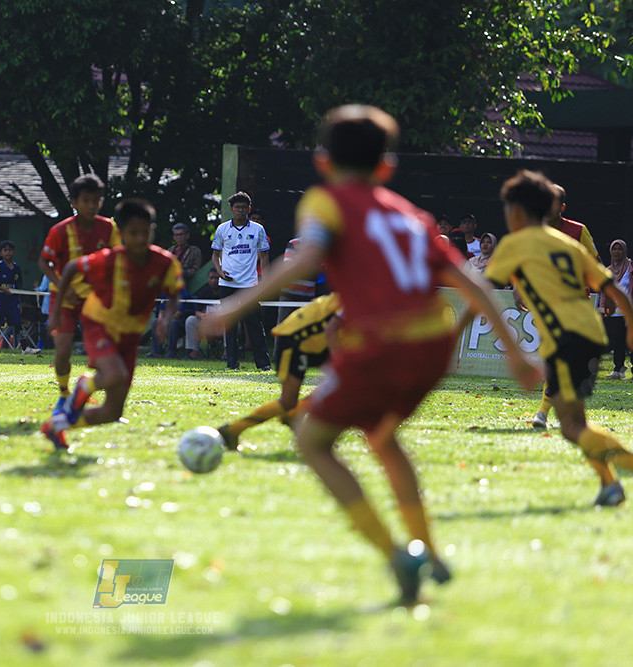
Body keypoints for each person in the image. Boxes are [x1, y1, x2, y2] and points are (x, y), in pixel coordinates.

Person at [205, 105, 541, 605]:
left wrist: (232, 307)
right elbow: (472, 282)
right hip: (430, 348)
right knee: (382, 437)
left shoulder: (327, 201)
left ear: (323, 161)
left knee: (315, 442)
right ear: (386, 166)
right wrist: (514, 352)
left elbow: (307, 258)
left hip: (381, 345)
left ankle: (394, 553)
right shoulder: (412, 217)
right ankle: (429, 548)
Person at [487, 170, 633, 507]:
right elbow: (606, 283)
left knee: (569, 426)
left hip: (569, 333)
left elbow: (483, 285)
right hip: (580, 332)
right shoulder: (558, 243)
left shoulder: (562, 235)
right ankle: (609, 484)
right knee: (576, 422)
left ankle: (623, 465)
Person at [41, 198, 183, 451]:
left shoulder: (164, 262)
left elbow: (174, 294)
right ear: (122, 234)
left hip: (130, 335)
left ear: (152, 229)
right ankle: (85, 385)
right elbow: (73, 266)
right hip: (99, 324)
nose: (140, 239)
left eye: (145, 232)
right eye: (133, 233)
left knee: (112, 413)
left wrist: (166, 316)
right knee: (113, 374)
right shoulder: (108, 259)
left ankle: (57, 426)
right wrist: (55, 313)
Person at [217, 292, 341, 452]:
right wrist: (340, 366)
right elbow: (332, 328)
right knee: (288, 401)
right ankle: (231, 430)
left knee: (346, 386)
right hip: (296, 339)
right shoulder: (363, 296)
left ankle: (295, 417)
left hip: (313, 341)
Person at [38, 174, 120, 409]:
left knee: (104, 354)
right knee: (63, 351)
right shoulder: (60, 231)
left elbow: (116, 259)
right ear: (74, 202)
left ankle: (101, 399)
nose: (91, 205)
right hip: (64, 298)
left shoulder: (108, 227)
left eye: (96, 200)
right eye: (85, 200)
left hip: (94, 300)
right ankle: (64, 394)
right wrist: (60, 284)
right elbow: (44, 262)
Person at [531, 183, 601, 429]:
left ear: (562, 207)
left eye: (552, 202)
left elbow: (595, 263)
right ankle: (550, 413)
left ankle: (546, 412)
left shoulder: (578, 230)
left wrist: (607, 293)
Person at [211, 191, 271, 371]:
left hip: (249, 285)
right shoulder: (222, 229)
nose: (240, 210)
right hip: (227, 285)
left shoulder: (258, 229)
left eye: (244, 207)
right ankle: (231, 364)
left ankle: (264, 365)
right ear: (231, 209)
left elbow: (264, 257)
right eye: (237, 207)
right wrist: (220, 272)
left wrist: (265, 282)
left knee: (254, 325)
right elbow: (215, 255)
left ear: (249, 209)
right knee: (230, 326)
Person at [602, 239, 632, 379]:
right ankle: (618, 369)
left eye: (619, 249)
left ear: (624, 251)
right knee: (617, 342)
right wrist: (603, 309)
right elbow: (604, 292)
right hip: (614, 313)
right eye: (614, 249)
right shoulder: (607, 271)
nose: (617, 252)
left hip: (629, 312)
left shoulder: (630, 268)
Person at [0, 240, 24, 346]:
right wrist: (3, 289)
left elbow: (17, 287)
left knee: (17, 323)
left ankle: (25, 348)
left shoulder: (16, 268)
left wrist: (19, 303)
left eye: (10, 250)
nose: (8, 252)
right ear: (0, 253)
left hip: (12, 300)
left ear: (14, 252)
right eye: (5, 250)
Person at [184, 268, 223, 360]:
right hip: (206, 324)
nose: (214, 280)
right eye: (211, 278)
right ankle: (193, 351)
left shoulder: (224, 292)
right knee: (190, 320)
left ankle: (227, 351)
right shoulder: (204, 292)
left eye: (216, 278)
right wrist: (203, 316)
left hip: (221, 324)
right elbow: (197, 311)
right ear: (208, 279)